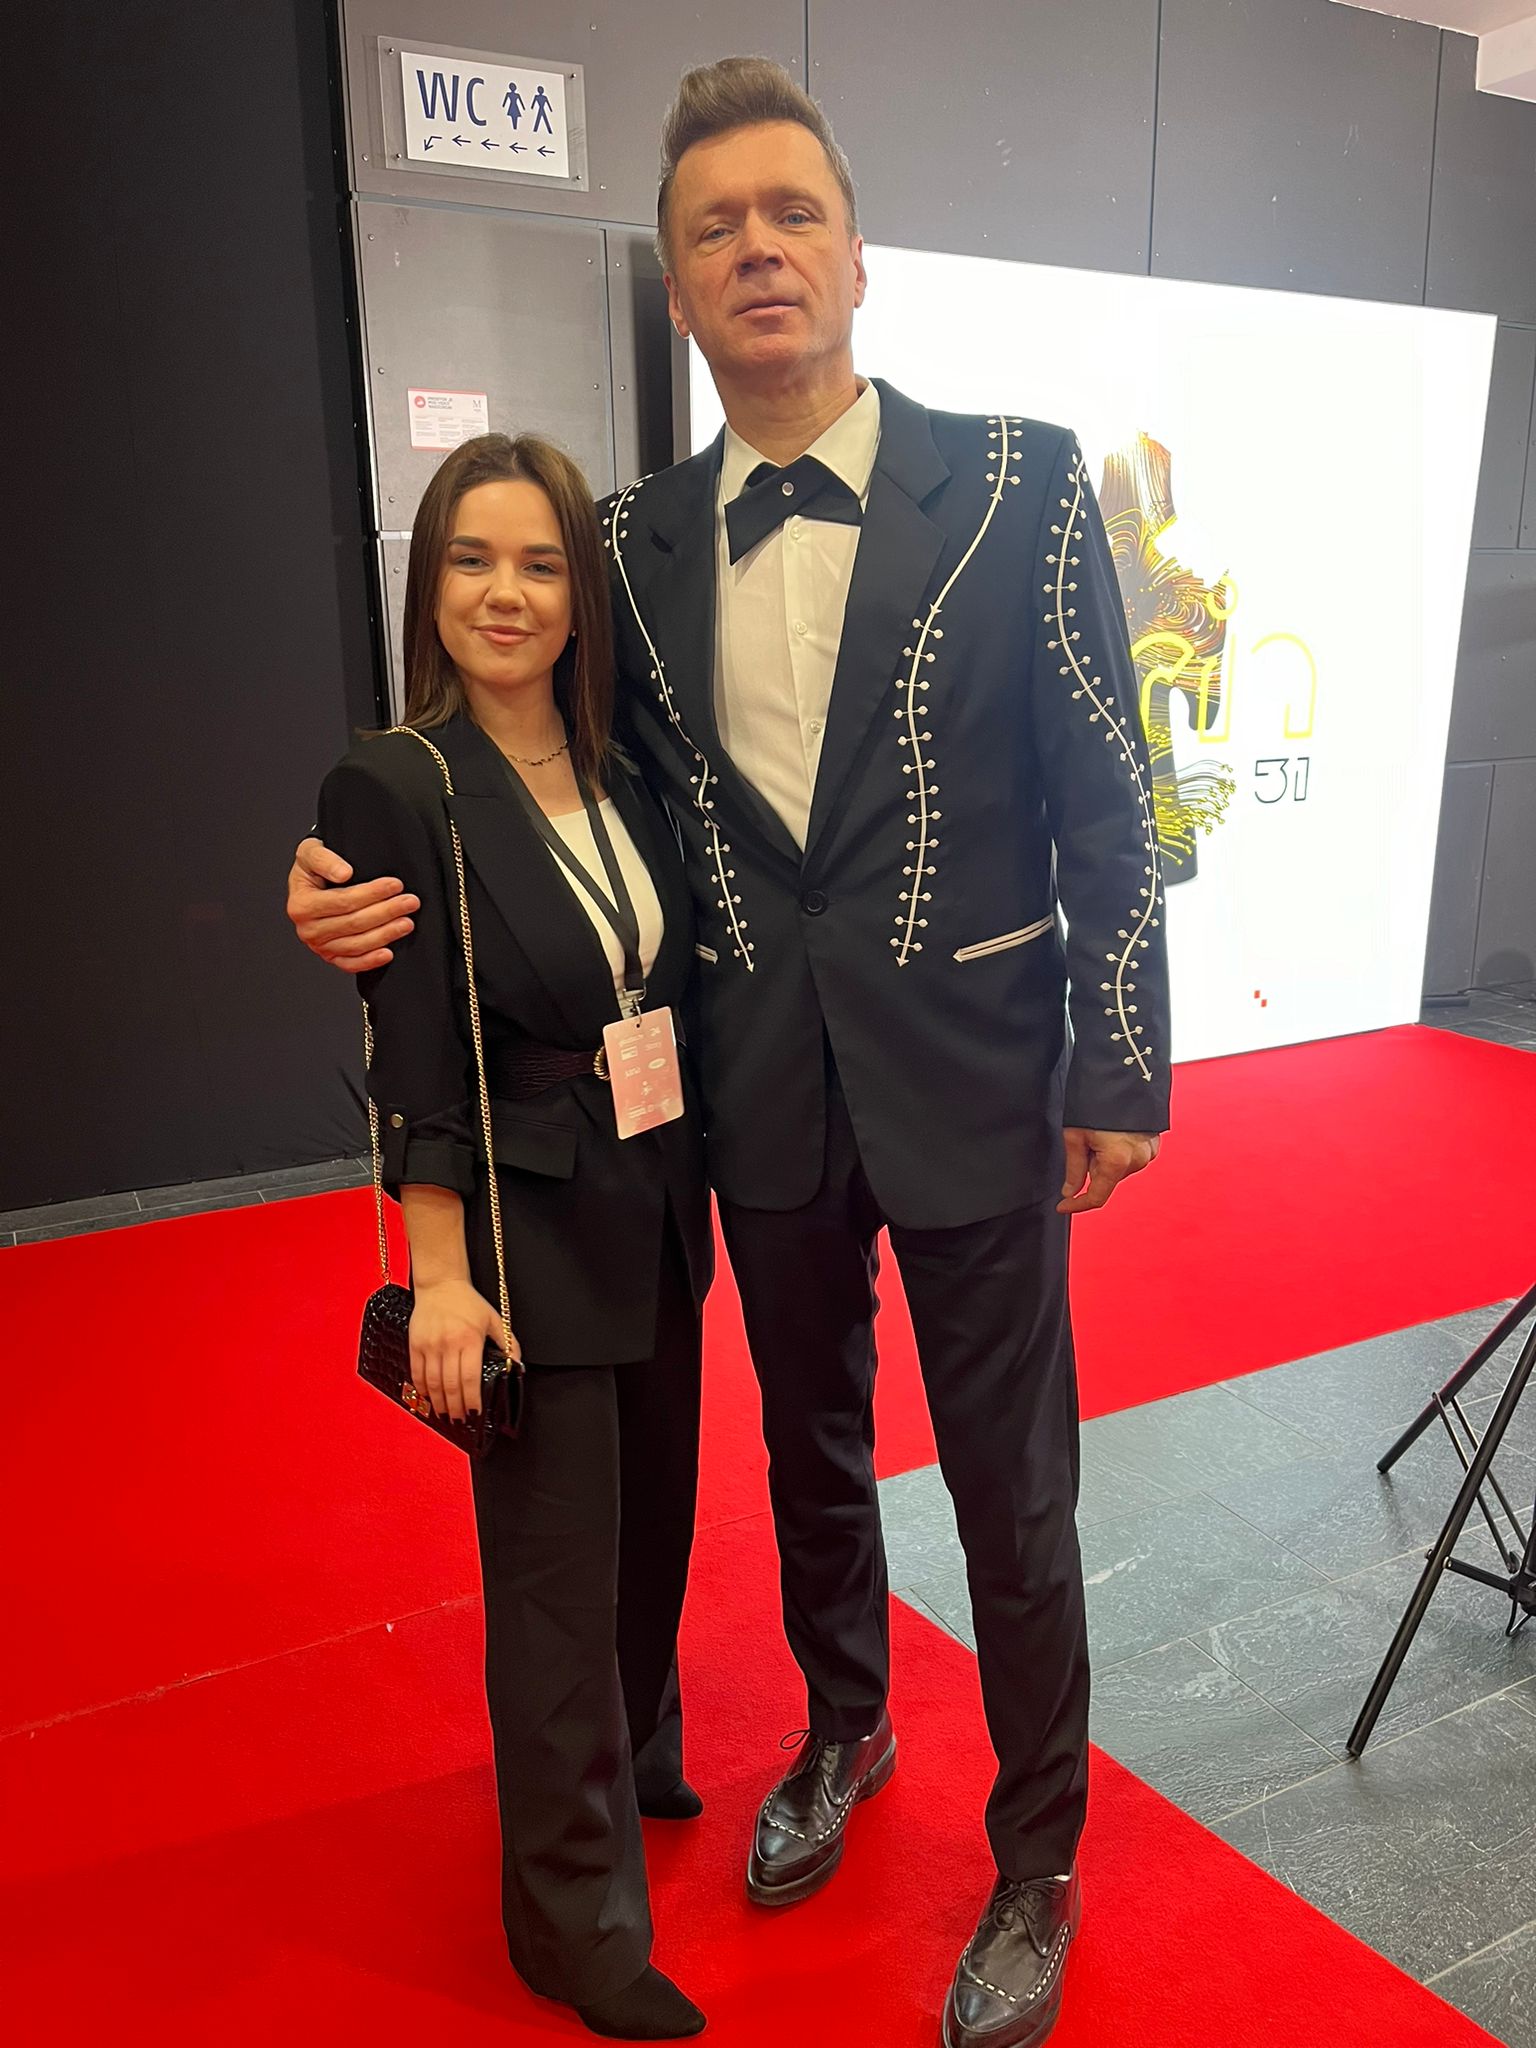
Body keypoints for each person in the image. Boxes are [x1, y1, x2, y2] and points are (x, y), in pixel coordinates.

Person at [291, 59, 1171, 2048]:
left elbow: (1111, 798)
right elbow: (526, 761)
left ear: (857, 255)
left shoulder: (1023, 480)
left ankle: (1037, 1849)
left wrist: (1117, 1060)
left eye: (791, 214)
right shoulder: (624, 540)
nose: (758, 248)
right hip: (749, 1092)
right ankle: (847, 1725)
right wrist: (339, 866)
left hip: (979, 1076)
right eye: (715, 227)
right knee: (808, 1449)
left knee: (1015, 1490)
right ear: (678, 285)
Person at [316, 431, 712, 2042]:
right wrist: (440, 1276)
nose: (506, 593)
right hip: (519, 1225)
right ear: (430, 583)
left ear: (579, 594)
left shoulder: (629, 764)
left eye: (541, 563)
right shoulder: (395, 782)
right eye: (473, 560)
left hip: (657, 1197)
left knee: (655, 1528)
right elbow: (412, 1046)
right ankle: (571, 1922)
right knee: (555, 1585)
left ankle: (643, 1751)